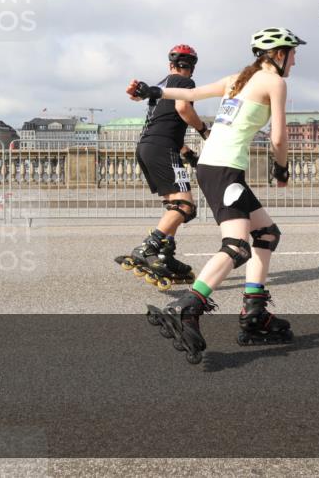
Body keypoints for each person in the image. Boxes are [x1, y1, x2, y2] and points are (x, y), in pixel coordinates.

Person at [126, 27, 304, 364]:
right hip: (224, 169)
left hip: (215, 166)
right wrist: (281, 170)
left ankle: (255, 312)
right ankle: (187, 307)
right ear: (278, 54)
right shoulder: (275, 82)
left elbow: (184, 94)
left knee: (266, 234)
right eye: (292, 53)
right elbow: (279, 137)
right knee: (237, 246)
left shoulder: (238, 78)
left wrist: (149, 90)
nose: (295, 59)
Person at [115, 44, 210, 291]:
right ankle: (148, 247)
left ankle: (165, 254)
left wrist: (188, 154)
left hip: (150, 146)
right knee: (185, 206)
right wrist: (203, 130)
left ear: (170, 64)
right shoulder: (184, 83)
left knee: (175, 206)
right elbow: (182, 109)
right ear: (193, 66)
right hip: (162, 148)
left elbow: (167, 124)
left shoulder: (162, 86)